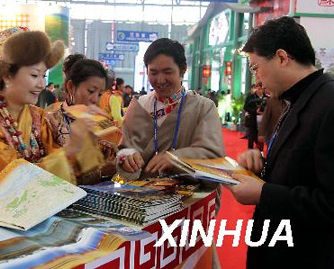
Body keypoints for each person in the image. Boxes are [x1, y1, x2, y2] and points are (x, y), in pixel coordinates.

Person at [227, 16, 334, 268]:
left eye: (255, 68)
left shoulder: (328, 103)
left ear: (282, 57)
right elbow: (302, 170)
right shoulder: (297, 100)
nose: (257, 80)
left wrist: (264, 194)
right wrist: (261, 167)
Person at [0, 28, 104, 193]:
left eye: (44, 76)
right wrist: (71, 150)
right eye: (35, 75)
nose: (42, 85)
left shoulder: (39, 116)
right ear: (7, 76)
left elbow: (68, 168)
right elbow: (13, 179)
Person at [115, 38, 225, 180]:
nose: (160, 80)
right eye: (153, 73)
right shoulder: (139, 105)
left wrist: (176, 158)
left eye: (167, 72)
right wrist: (127, 159)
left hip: (188, 197)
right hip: (143, 196)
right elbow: (124, 148)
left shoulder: (203, 107)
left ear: (183, 69)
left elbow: (213, 154)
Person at [43, 53, 118, 181]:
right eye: (90, 91)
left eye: (100, 94)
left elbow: (112, 159)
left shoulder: (101, 121)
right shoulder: (51, 120)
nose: (95, 99)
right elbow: (48, 173)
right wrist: (100, 172)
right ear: (71, 87)